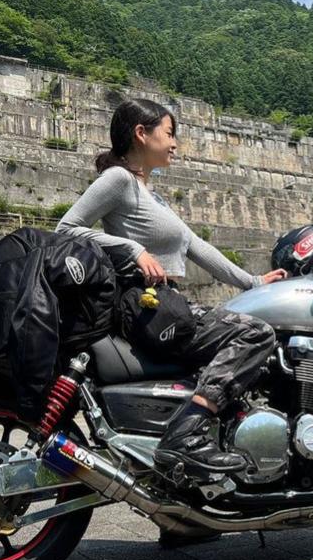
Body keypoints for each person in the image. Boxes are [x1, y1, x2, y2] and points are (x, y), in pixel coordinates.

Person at [56, 98, 286, 476]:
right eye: (169, 133)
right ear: (141, 134)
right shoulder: (118, 180)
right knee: (256, 334)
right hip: (146, 305)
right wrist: (132, 249)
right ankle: (188, 434)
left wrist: (254, 282)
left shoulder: (154, 196)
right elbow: (66, 229)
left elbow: (197, 246)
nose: (175, 143)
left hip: (167, 302)